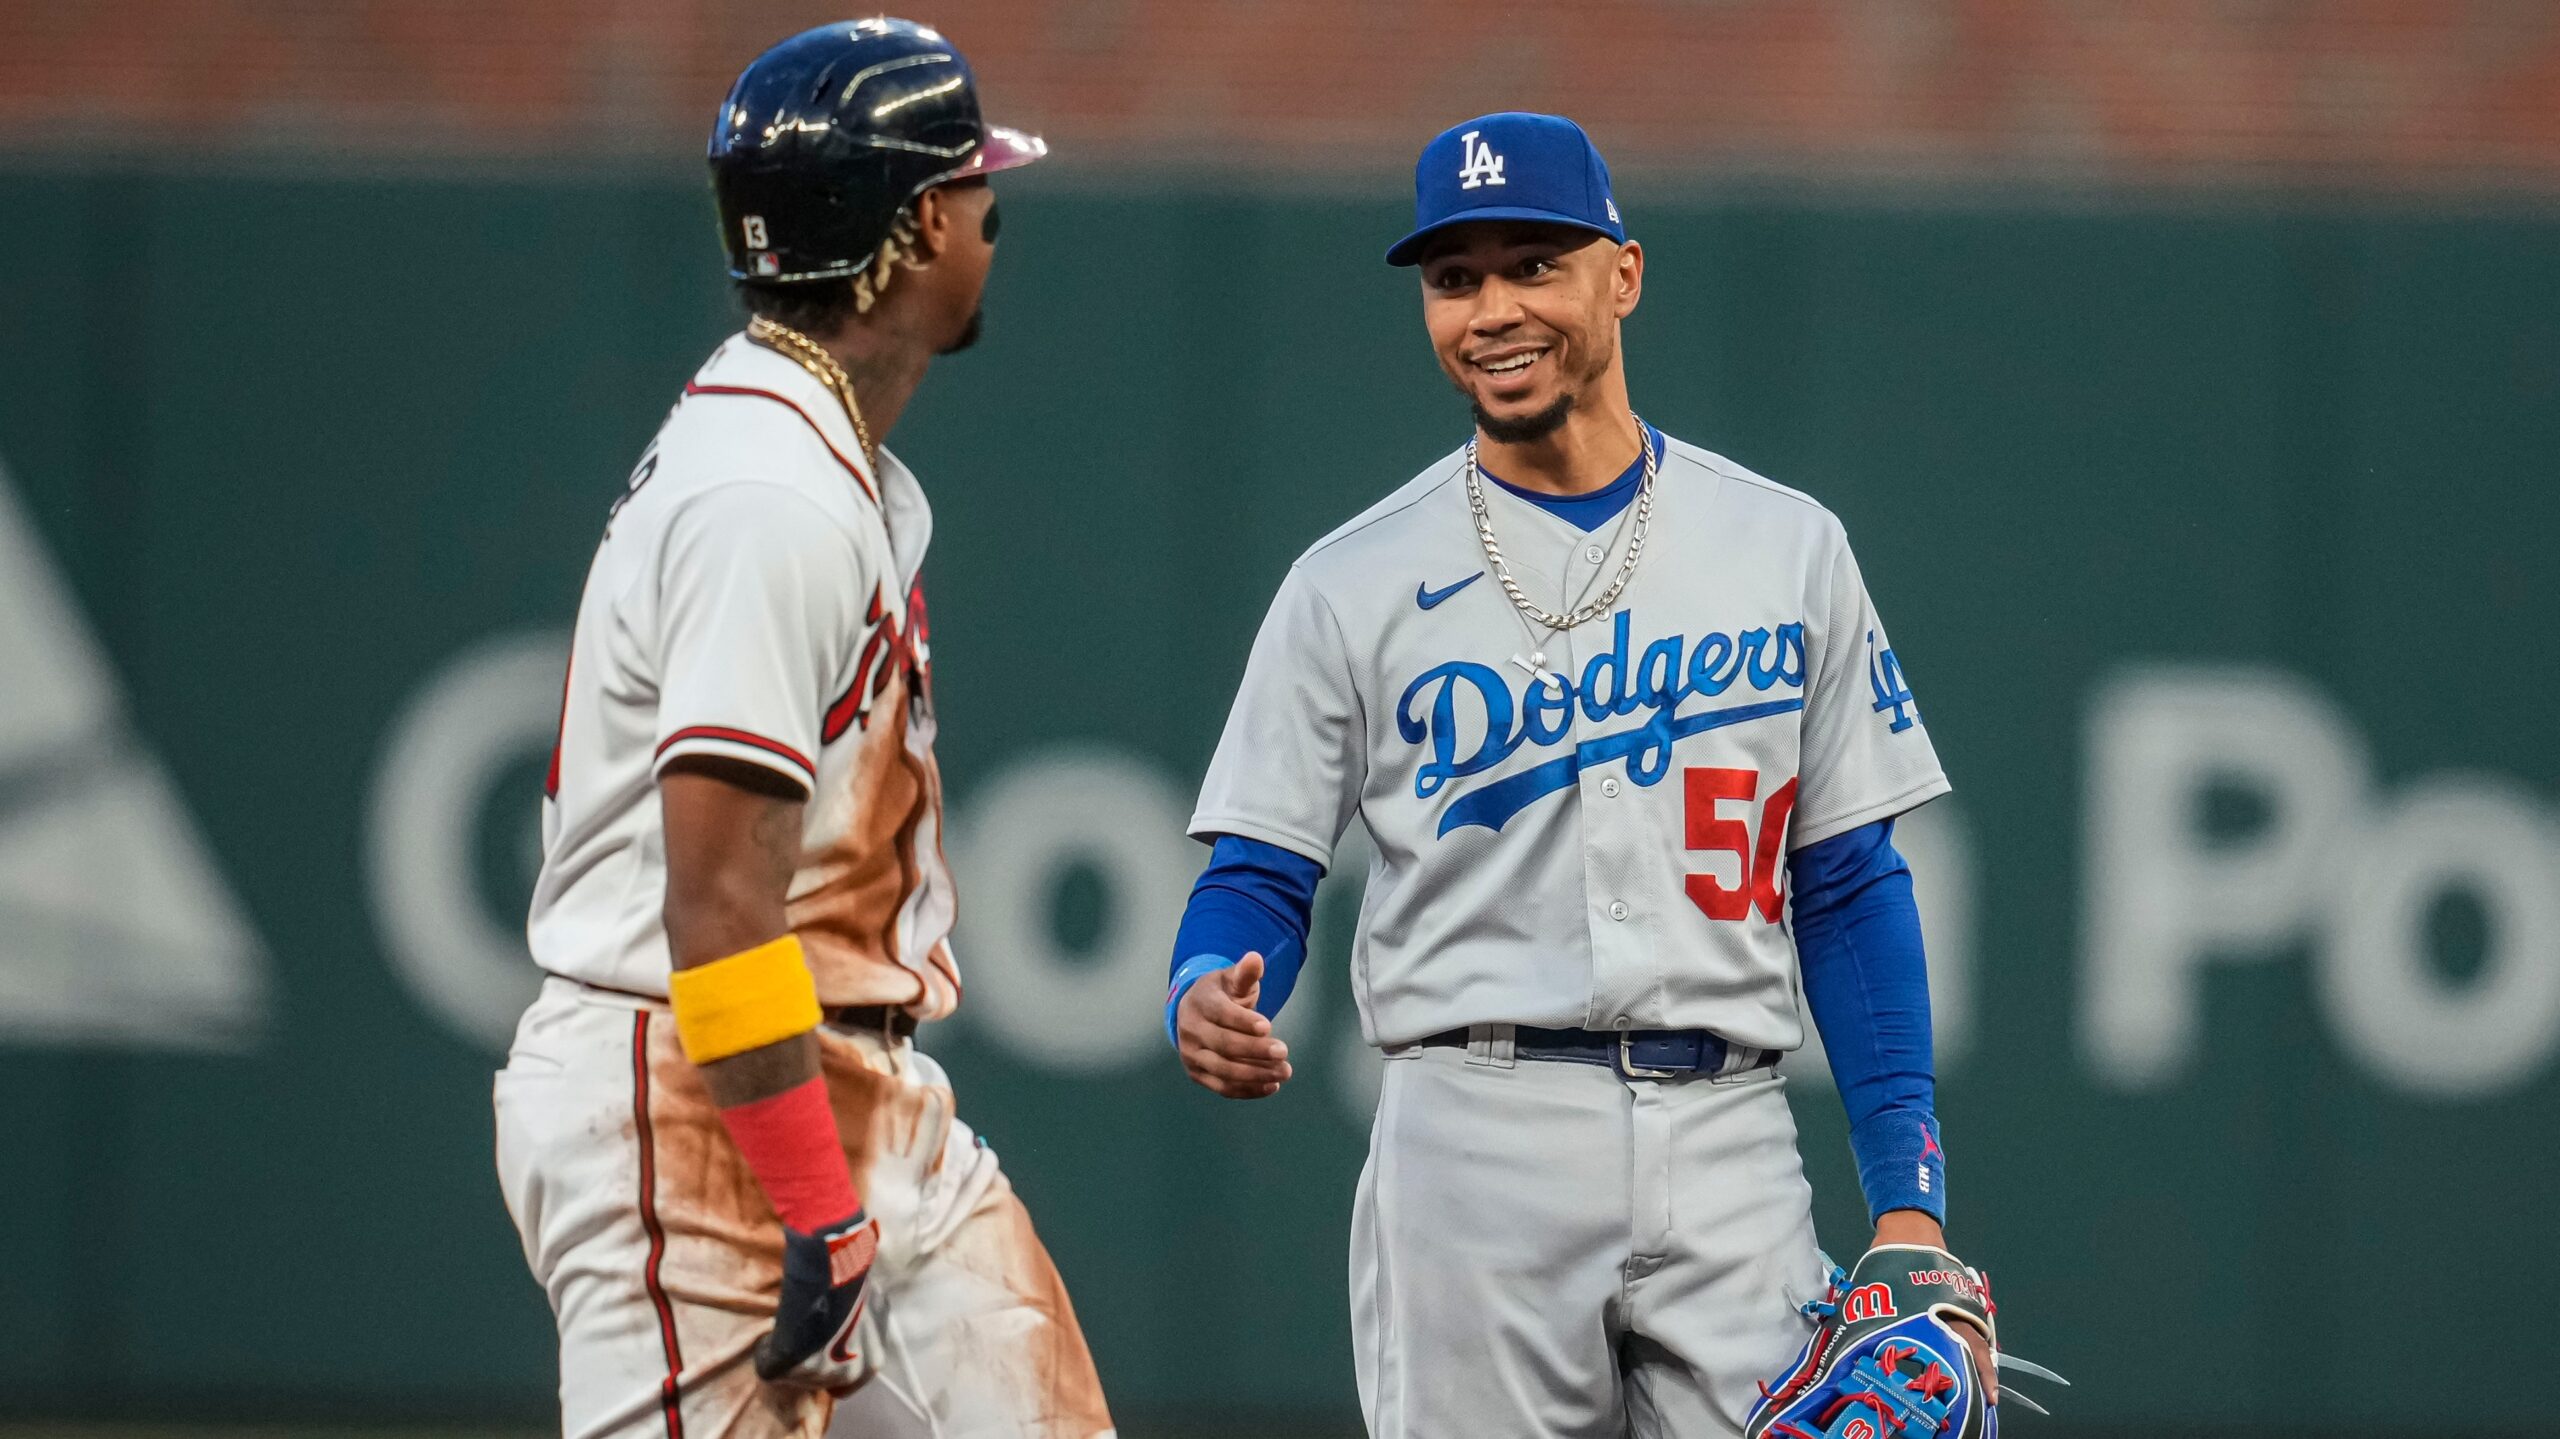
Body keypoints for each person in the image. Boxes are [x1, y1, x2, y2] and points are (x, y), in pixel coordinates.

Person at [1165, 111, 1996, 1436]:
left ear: (1625, 275)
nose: (1492, 310)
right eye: (1455, 279)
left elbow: (1849, 885)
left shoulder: (1785, 546)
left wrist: (1909, 1200)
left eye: (1533, 265)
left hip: (1731, 1134)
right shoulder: (1348, 582)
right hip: (1474, 1134)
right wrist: (1203, 979)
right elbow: (1258, 872)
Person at [494, 20, 1113, 1439]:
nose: (992, 215)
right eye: (970, 186)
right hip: (695, 1096)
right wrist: (816, 1205)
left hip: (847, 1079)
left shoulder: (803, 450)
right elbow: (717, 908)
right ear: (915, 230)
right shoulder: (767, 494)